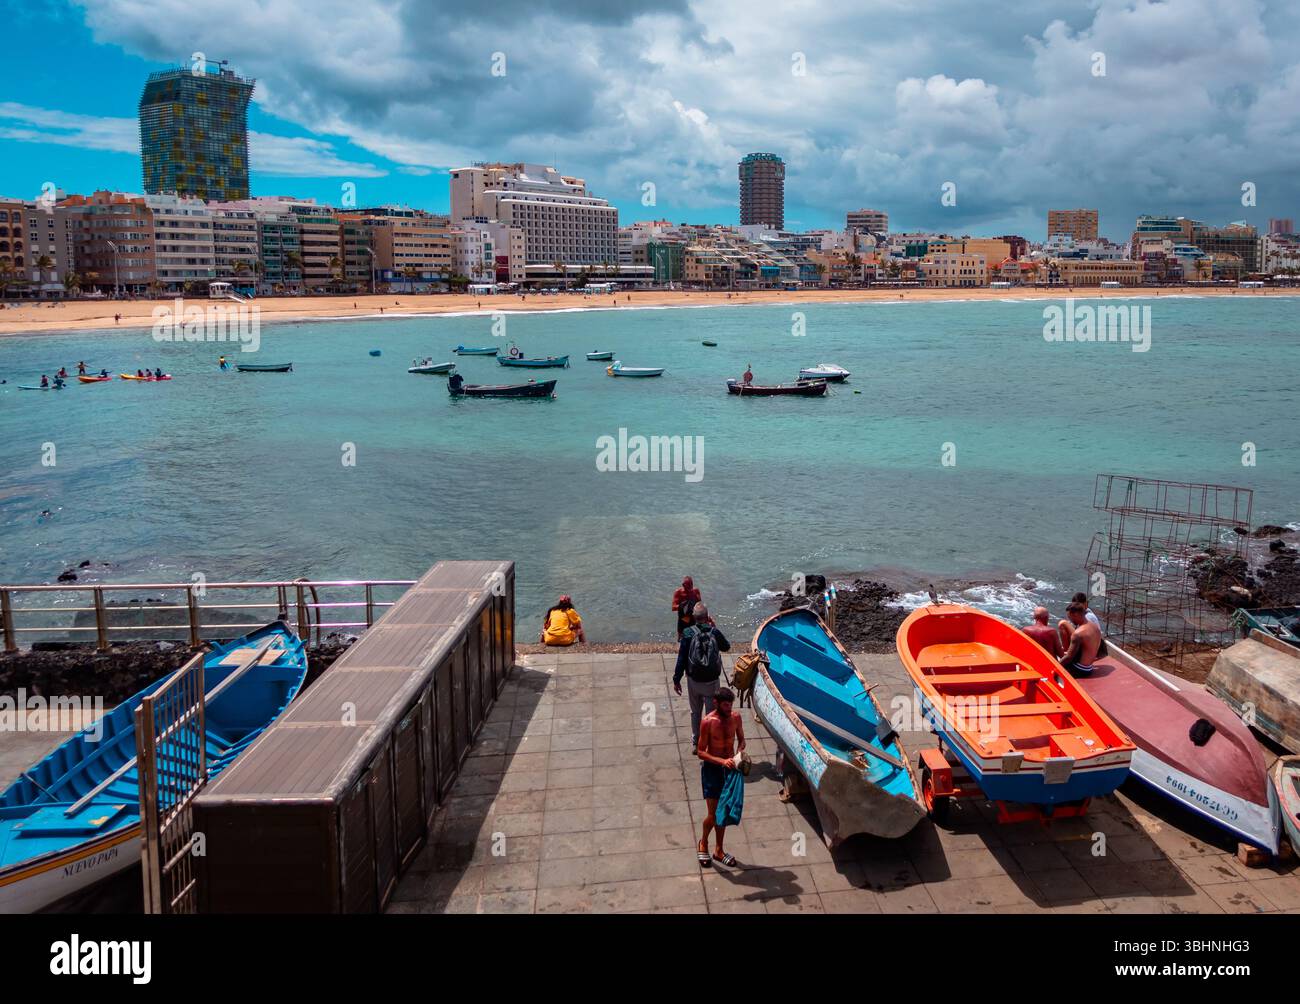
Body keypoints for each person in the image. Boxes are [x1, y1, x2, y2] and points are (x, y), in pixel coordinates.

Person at [696, 686, 745, 867]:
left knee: (723, 813)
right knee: (713, 814)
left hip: (730, 769)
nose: (729, 709)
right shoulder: (707, 722)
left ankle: (718, 850)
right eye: (725, 705)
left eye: (730, 705)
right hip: (712, 770)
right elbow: (700, 752)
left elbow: (742, 739)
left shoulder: (736, 718)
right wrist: (721, 761)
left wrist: (739, 754)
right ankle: (703, 843)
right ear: (715, 703)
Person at [673, 602, 731, 747]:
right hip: (712, 681)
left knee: (695, 712)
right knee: (711, 714)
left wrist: (676, 679)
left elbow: (681, 659)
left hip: (694, 680)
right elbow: (726, 647)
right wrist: (714, 627)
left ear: (694, 617)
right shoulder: (714, 632)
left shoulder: (687, 633)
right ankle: (709, 741)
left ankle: (696, 741)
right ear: (707, 617)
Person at [1059, 602, 1106, 676]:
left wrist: (1055, 667)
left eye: (1070, 617)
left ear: (1075, 615)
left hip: (1079, 670)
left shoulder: (1078, 633)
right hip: (1089, 668)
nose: (1070, 620)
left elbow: (1069, 657)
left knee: (1055, 662)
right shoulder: (1095, 627)